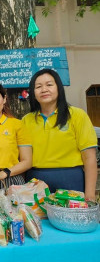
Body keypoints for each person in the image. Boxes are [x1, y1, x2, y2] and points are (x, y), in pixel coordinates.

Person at [23, 69, 98, 201]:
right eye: (38, 87)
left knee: (72, 220)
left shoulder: (77, 115)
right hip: (35, 182)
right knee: (36, 221)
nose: (44, 89)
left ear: (59, 88)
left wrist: (90, 195)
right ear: (33, 93)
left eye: (49, 85)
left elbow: (89, 158)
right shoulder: (26, 120)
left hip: (70, 180)